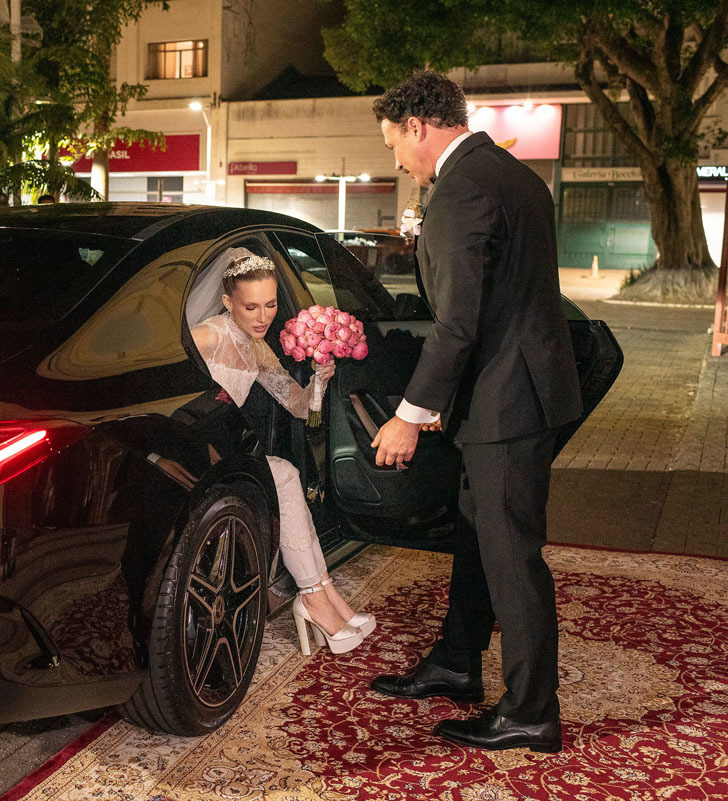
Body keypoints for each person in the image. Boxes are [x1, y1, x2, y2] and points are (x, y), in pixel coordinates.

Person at [367, 70, 583, 753]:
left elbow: (458, 323)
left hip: (505, 402)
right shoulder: (512, 175)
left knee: (512, 556)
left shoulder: (461, 189)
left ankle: (531, 710)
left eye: (393, 143)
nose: (394, 159)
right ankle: (459, 659)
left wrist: (409, 413)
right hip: (517, 390)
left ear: (418, 127)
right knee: (476, 535)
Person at [192, 250, 377, 656]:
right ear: (227, 302)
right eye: (251, 306)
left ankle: (325, 598)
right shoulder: (207, 336)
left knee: (286, 474)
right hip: (198, 452)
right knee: (284, 475)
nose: (263, 317)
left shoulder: (256, 347)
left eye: (271, 304)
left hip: (229, 452)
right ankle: (315, 599)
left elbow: (296, 404)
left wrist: (320, 378)